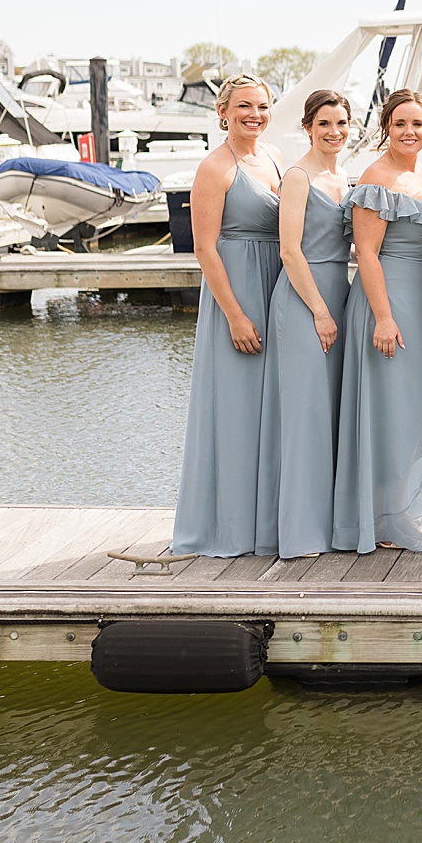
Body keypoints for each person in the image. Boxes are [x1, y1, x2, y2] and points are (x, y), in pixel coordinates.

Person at [331, 89, 422, 553]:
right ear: (386, 128)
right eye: (400, 124)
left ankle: (401, 511)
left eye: (417, 124)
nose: (409, 132)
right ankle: (379, 520)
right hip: (388, 303)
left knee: (414, 410)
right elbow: (368, 255)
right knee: (388, 411)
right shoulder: (376, 178)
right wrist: (382, 317)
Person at [174, 74, 283, 557]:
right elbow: (204, 248)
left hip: (278, 286)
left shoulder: (276, 157)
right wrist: (236, 316)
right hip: (236, 290)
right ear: (223, 112)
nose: (253, 114)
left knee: (275, 410)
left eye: (261, 106)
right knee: (237, 410)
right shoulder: (215, 167)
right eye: (243, 107)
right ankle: (231, 528)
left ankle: (273, 520)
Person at [256, 89, 353, 559]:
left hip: (340, 291)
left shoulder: (344, 175)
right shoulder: (297, 177)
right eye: (325, 124)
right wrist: (318, 310)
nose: (334, 132)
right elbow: (289, 250)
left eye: (341, 124)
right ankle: (300, 533)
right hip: (304, 300)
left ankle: (333, 522)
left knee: (332, 414)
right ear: (308, 127)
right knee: (305, 417)